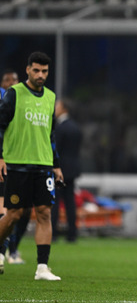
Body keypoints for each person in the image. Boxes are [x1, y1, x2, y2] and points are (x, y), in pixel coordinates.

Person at [0, 52, 63, 280]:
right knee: (14, 215)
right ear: (27, 70)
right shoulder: (14, 93)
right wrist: (0, 157)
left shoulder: (50, 97)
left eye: (44, 71)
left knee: (44, 212)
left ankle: (42, 267)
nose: (40, 75)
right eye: (36, 70)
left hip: (43, 164)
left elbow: (51, 134)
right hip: (18, 164)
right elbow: (1, 125)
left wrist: (56, 165)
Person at [0, 68, 30, 265]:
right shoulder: (6, 100)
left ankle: (12, 250)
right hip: (5, 160)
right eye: (8, 80)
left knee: (22, 210)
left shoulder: (25, 98)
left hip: (21, 160)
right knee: (6, 207)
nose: (12, 82)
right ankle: (3, 253)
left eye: (15, 79)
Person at [51, 98, 82, 243]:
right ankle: (72, 234)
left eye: (57, 106)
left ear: (64, 109)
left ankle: (53, 233)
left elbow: (56, 149)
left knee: (55, 201)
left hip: (60, 170)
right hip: (72, 170)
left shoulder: (60, 128)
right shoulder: (76, 127)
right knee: (70, 203)